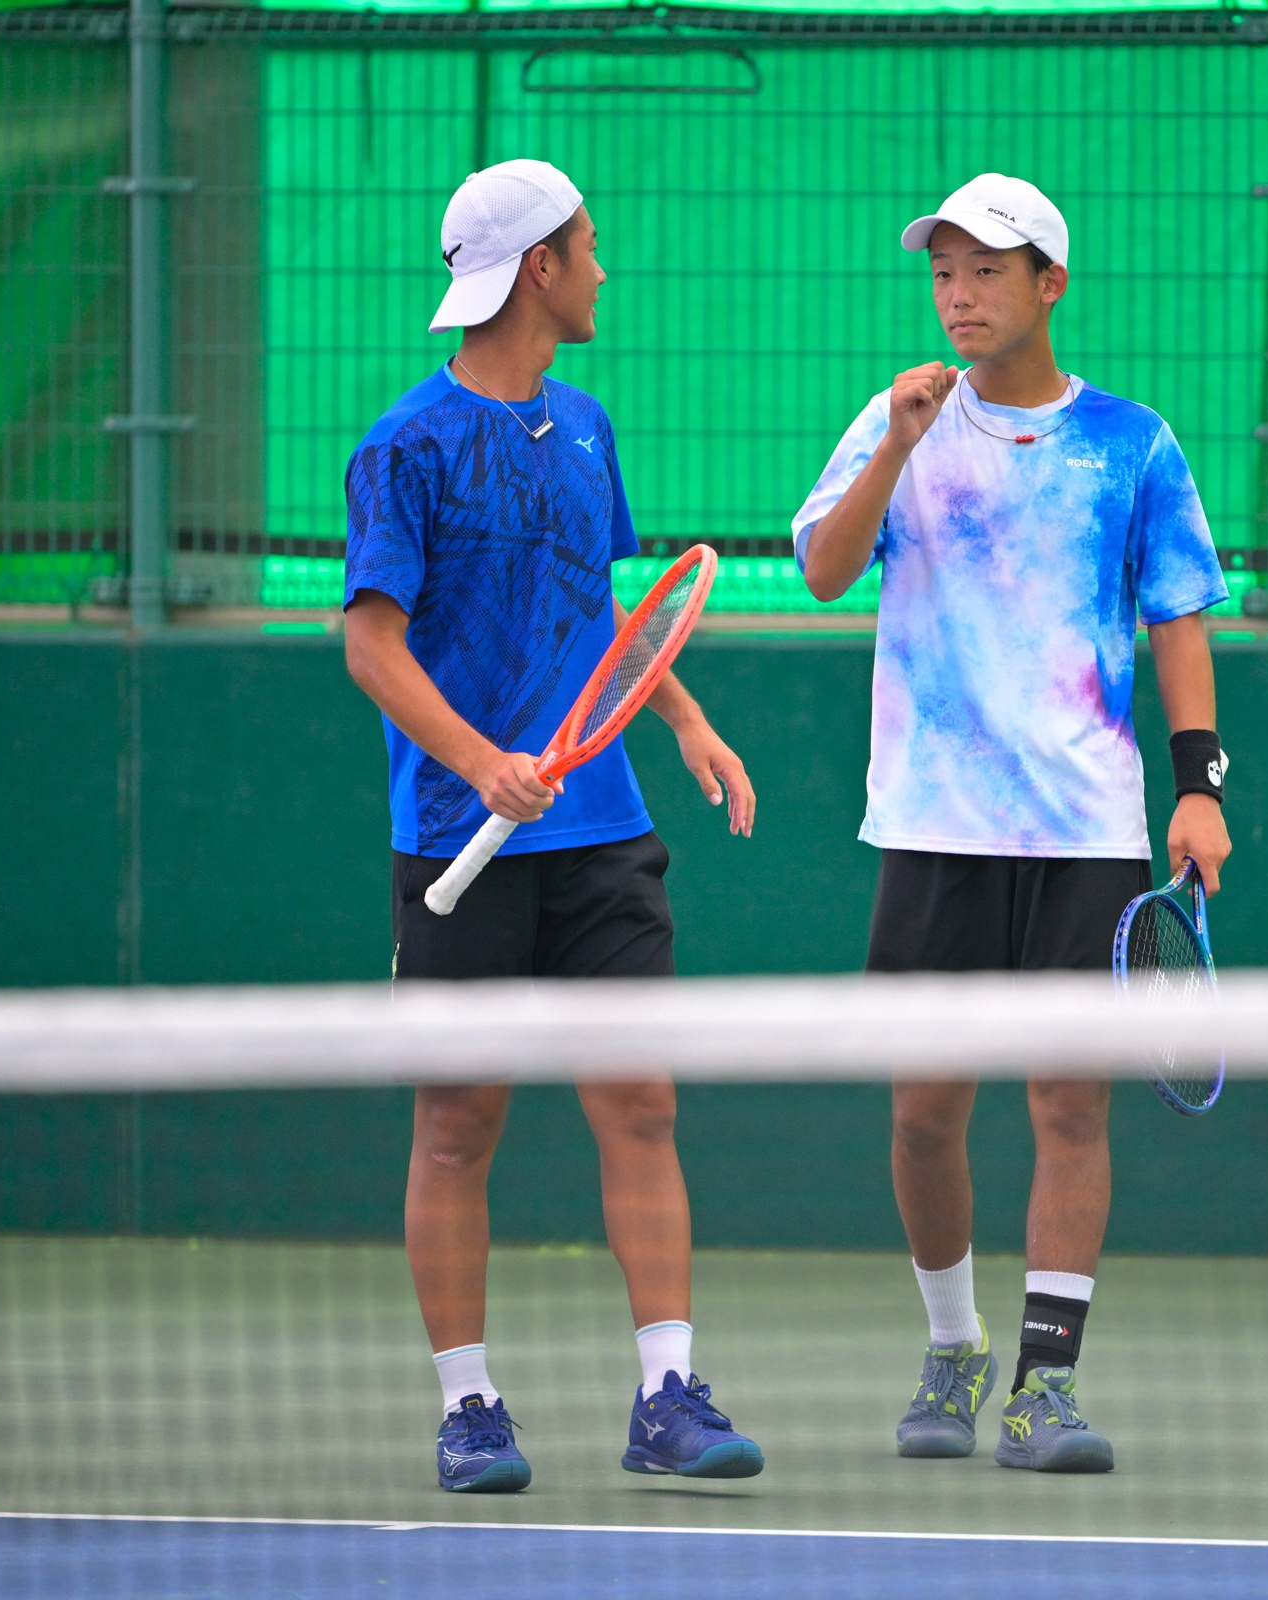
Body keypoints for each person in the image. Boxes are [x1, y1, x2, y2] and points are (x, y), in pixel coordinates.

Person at [790, 173, 1232, 1474]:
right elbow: (822, 572)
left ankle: (1047, 1385)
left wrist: (1200, 786)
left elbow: (1178, 619)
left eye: (987, 270)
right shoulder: (899, 420)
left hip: (1086, 831)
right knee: (924, 1110)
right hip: (934, 825)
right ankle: (953, 1346)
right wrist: (896, 446)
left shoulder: (1134, 445)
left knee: (1068, 1105)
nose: (960, 294)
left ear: (1050, 283)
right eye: (944, 271)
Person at [343, 159, 765, 1494]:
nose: (602, 271)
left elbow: (599, 611)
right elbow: (369, 645)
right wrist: (481, 767)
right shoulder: (404, 447)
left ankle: (668, 1398)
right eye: (588, 248)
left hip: (601, 832)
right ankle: (469, 1409)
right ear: (541, 268)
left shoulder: (584, 427)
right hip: (457, 840)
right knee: (458, 1124)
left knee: (640, 1101)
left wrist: (684, 718)